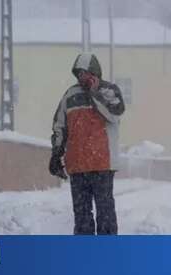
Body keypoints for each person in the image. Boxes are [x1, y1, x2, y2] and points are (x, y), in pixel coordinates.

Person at [49, 53, 125, 235]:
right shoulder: (70, 95)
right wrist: (56, 154)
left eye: (85, 73)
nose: (82, 77)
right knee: (82, 216)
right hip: (78, 166)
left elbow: (114, 114)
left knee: (105, 213)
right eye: (79, 74)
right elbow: (60, 126)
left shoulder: (110, 91)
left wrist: (94, 93)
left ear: (95, 72)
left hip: (103, 164)